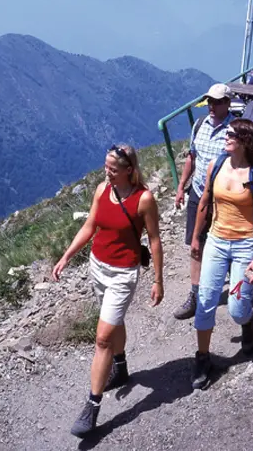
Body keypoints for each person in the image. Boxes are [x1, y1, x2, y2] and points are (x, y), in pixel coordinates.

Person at [52, 144, 164, 437]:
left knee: (102, 338)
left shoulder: (144, 199)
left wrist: (158, 280)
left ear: (129, 170)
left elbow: (154, 240)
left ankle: (92, 406)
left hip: (123, 274)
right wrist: (66, 256)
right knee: (112, 323)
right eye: (106, 168)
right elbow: (91, 225)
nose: (107, 173)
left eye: (113, 170)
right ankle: (121, 365)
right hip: (97, 267)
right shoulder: (103, 189)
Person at [190, 119, 253, 389]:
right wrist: (196, 239)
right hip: (215, 241)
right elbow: (204, 202)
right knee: (206, 301)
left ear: (245, 141)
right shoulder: (216, 166)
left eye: (231, 135)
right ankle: (202, 358)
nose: (226, 137)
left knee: (237, 309)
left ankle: (246, 321)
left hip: (244, 245)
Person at [172, 84, 233, 320]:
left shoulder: (234, 130)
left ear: (227, 103)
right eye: (209, 101)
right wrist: (181, 186)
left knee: (221, 245)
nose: (211, 105)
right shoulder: (199, 125)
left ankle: (222, 286)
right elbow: (192, 157)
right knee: (195, 244)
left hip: (223, 199)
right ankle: (196, 295)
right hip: (198, 193)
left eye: (216, 102)